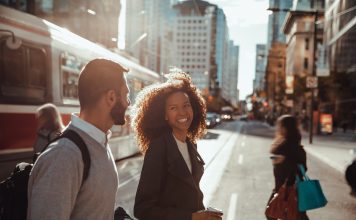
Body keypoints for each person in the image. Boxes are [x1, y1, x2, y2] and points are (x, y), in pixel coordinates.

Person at [27, 58, 130, 220]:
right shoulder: (63, 157)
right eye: (126, 94)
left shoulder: (99, 143)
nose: (128, 103)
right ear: (111, 97)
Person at [132, 72, 222, 220]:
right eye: (173, 108)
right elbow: (143, 209)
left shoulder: (191, 144)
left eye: (186, 105)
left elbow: (191, 196)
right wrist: (192, 217)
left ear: (194, 108)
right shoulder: (158, 148)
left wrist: (205, 215)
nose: (182, 112)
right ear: (165, 115)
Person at [266, 115, 309, 220]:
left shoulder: (287, 145)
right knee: (295, 215)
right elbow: (303, 167)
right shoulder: (295, 145)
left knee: (272, 213)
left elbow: (300, 168)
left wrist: (283, 161)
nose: (278, 128)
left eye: (279, 126)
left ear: (285, 128)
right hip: (290, 188)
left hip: (287, 189)